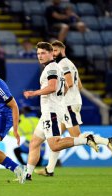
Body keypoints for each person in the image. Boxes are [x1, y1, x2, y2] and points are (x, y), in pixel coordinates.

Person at [23, 42, 112, 181]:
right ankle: (31, 173)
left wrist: (34, 93)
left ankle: (88, 140)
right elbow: (76, 85)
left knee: (58, 142)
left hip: (57, 109)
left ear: (52, 53)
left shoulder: (56, 67)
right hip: (56, 108)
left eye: (44, 53)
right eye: (38, 54)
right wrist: (61, 98)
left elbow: (55, 86)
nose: (40, 56)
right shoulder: (59, 66)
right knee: (35, 142)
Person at [35, 40, 84, 176]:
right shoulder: (71, 64)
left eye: (55, 51)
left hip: (67, 105)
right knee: (56, 139)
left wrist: (59, 97)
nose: (54, 54)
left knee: (77, 137)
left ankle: (103, 141)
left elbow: (68, 83)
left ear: (63, 50)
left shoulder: (62, 64)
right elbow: (79, 86)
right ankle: (49, 169)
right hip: (70, 103)